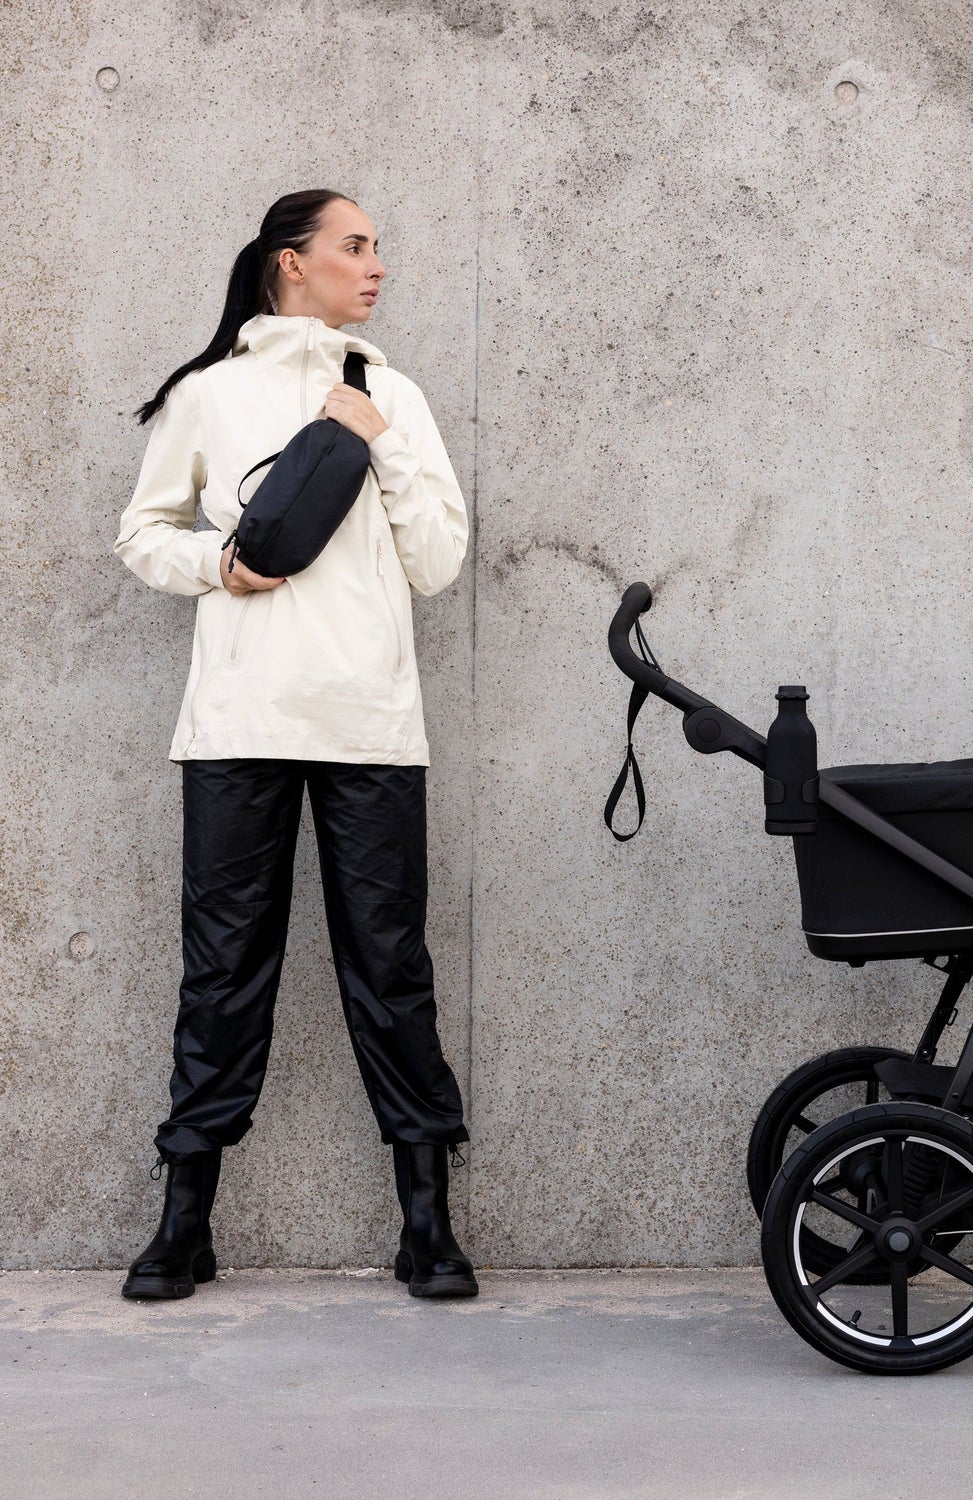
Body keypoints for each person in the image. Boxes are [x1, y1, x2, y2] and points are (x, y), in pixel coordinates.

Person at [113, 189, 477, 1300]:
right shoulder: (209, 394)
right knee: (223, 970)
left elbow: (439, 563)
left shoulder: (393, 392)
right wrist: (217, 565)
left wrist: (379, 441)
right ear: (290, 263)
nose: (376, 266)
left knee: (392, 967)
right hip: (237, 724)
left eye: (377, 248)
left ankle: (426, 1221)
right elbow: (142, 535)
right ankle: (185, 1220)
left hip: (371, 724)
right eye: (353, 246)